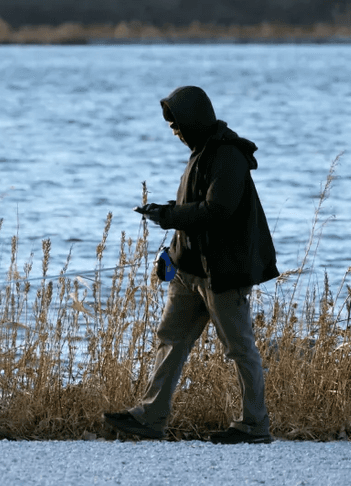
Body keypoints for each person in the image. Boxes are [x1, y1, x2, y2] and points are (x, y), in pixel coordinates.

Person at [104, 85, 279, 444]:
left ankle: (254, 425)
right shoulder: (201, 152)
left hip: (223, 273)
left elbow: (217, 211)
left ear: (195, 121)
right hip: (189, 271)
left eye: (178, 125)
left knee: (240, 348)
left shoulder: (228, 156)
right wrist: (170, 252)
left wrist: (167, 215)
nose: (175, 133)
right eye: (172, 127)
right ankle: (150, 418)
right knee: (170, 338)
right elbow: (193, 211)